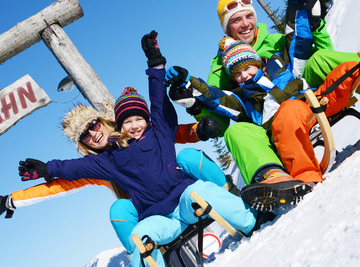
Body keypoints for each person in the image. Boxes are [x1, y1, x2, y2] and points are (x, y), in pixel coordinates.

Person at [14, 31, 266, 267]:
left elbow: (157, 100)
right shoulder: (108, 160)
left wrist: (155, 63)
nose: (133, 125)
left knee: (201, 190)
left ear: (146, 120)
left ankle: (251, 221)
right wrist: (46, 168)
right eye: (127, 121)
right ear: (119, 125)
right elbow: (73, 169)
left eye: (138, 119)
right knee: (139, 235)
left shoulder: (160, 132)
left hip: (187, 202)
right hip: (161, 220)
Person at [167, 38, 360, 211]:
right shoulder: (241, 98)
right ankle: (297, 177)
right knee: (284, 113)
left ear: (258, 63)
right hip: (284, 126)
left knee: (347, 71)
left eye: (246, 68)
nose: (243, 76)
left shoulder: (279, 68)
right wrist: (190, 84)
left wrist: (301, 11)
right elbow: (215, 97)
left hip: (312, 105)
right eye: (236, 74)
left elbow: (299, 43)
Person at [0, 102, 232, 254]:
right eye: (85, 135)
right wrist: (10, 201)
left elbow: (169, 133)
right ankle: (145, 255)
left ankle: (229, 196)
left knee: (186, 157)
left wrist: (197, 130)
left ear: (101, 120)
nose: (93, 133)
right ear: (83, 144)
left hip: (180, 187)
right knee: (119, 208)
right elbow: (56, 186)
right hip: (151, 209)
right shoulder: (97, 166)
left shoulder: (132, 130)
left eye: (93, 124)